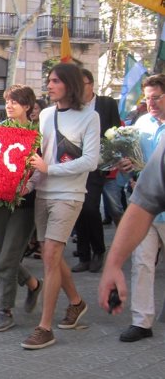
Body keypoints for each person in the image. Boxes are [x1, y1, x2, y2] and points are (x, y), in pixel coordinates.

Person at [21, 63, 100, 350]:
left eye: (55, 81)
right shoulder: (44, 115)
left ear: (69, 84)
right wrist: (29, 184)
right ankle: (76, 303)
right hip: (44, 192)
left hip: (69, 194)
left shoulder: (90, 117)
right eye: (49, 80)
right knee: (50, 255)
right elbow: (41, 157)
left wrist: (49, 169)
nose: (50, 85)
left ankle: (45, 327)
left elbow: (90, 161)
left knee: (51, 255)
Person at [106, 74, 165, 342]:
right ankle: (141, 321)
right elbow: (134, 158)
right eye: (148, 98)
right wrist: (127, 164)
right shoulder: (141, 124)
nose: (150, 103)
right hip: (144, 208)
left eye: (156, 97)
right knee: (142, 262)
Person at [0, 85, 43, 332]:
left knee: (7, 259)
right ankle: (32, 284)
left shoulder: (39, 134)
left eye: (15, 101)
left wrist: (28, 188)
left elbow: (40, 169)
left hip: (24, 205)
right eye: (8, 101)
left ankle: (5, 309)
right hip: (0, 202)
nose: (9, 105)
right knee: (2, 257)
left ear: (28, 106)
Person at [98, 139, 165, 316]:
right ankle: (141, 321)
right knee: (142, 263)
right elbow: (144, 201)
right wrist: (113, 264)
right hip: (153, 218)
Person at [71, 69, 121, 273]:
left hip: (98, 165)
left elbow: (116, 130)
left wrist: (113, 156)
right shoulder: (73, 106)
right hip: (75, 164)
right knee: (79, 209)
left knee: (91, 208)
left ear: (91, 84)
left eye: (82, 83)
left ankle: (99, 250)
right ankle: (83, 255)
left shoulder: (107, 103)